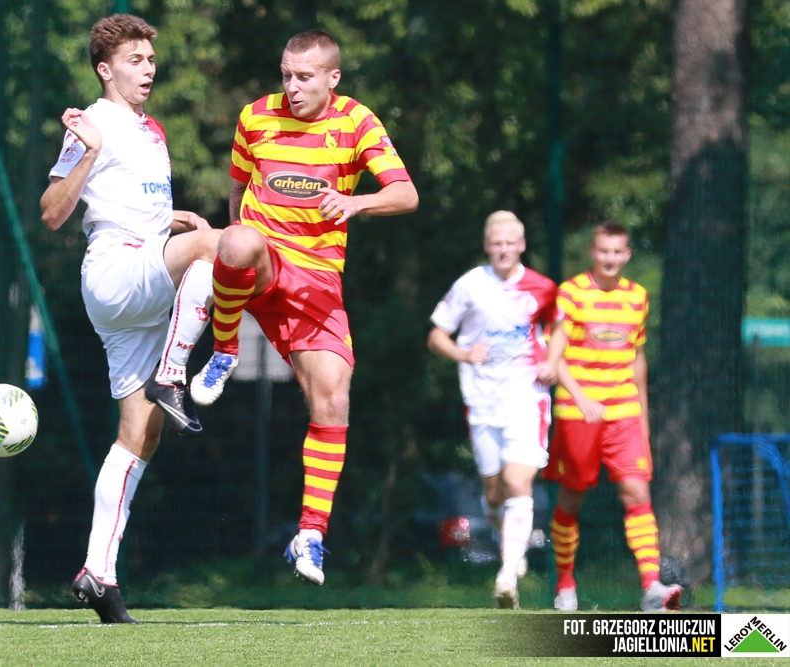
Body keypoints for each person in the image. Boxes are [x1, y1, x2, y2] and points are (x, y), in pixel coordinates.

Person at [189, 29, 418, 585]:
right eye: (286, 75)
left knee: (333, 400)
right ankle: (224, 351)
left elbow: (406, 193)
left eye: (304, 77)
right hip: (266, 260)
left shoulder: (357, 121)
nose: (291, 86)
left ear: (332, 78)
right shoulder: (255, 116)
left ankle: (310, 535)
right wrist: (238, 243)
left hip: (317, 281)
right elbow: (237, 190)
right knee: (237, 239)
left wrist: (357, 202)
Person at [39, 13, 221, 623]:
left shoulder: (151, 129)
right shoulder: (92, 123)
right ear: (105, 69)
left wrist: (173, 218)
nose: (147, 70)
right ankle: (174, 374)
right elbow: (52, 212)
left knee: (140, 434)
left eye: (150, 60)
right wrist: (88, 151)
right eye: (134, 60)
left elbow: (125, 204)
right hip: (117, 272)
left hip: (139, 274)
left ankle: (99, 573)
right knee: (215, 249)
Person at [542, 222, 683, 612]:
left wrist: (643, 415)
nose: (610, 258)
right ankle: (565, 585)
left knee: (637, 493)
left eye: (618, 251)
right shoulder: (571, 292)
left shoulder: (637, 297)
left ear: (627, 255)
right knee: (571, 499)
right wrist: (582, 398)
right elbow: (555, 356)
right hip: (577, 412)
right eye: (604, 251)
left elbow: (637, 357)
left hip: (623, 412)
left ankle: (652, 587)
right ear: (593, 252)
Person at [427, 211, 562, 610]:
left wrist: (553, 362)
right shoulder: (470, 285)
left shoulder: (542, 287)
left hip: (527, 397)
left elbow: (560, 329)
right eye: (497, 243)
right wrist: (464, 353)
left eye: (510, 243)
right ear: (488, 245)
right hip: (483, 400)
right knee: (494, 491)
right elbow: (437, 335)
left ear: (522, 246)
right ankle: (508, 540)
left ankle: (507, 574)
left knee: (519, 482)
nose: (504, 250)